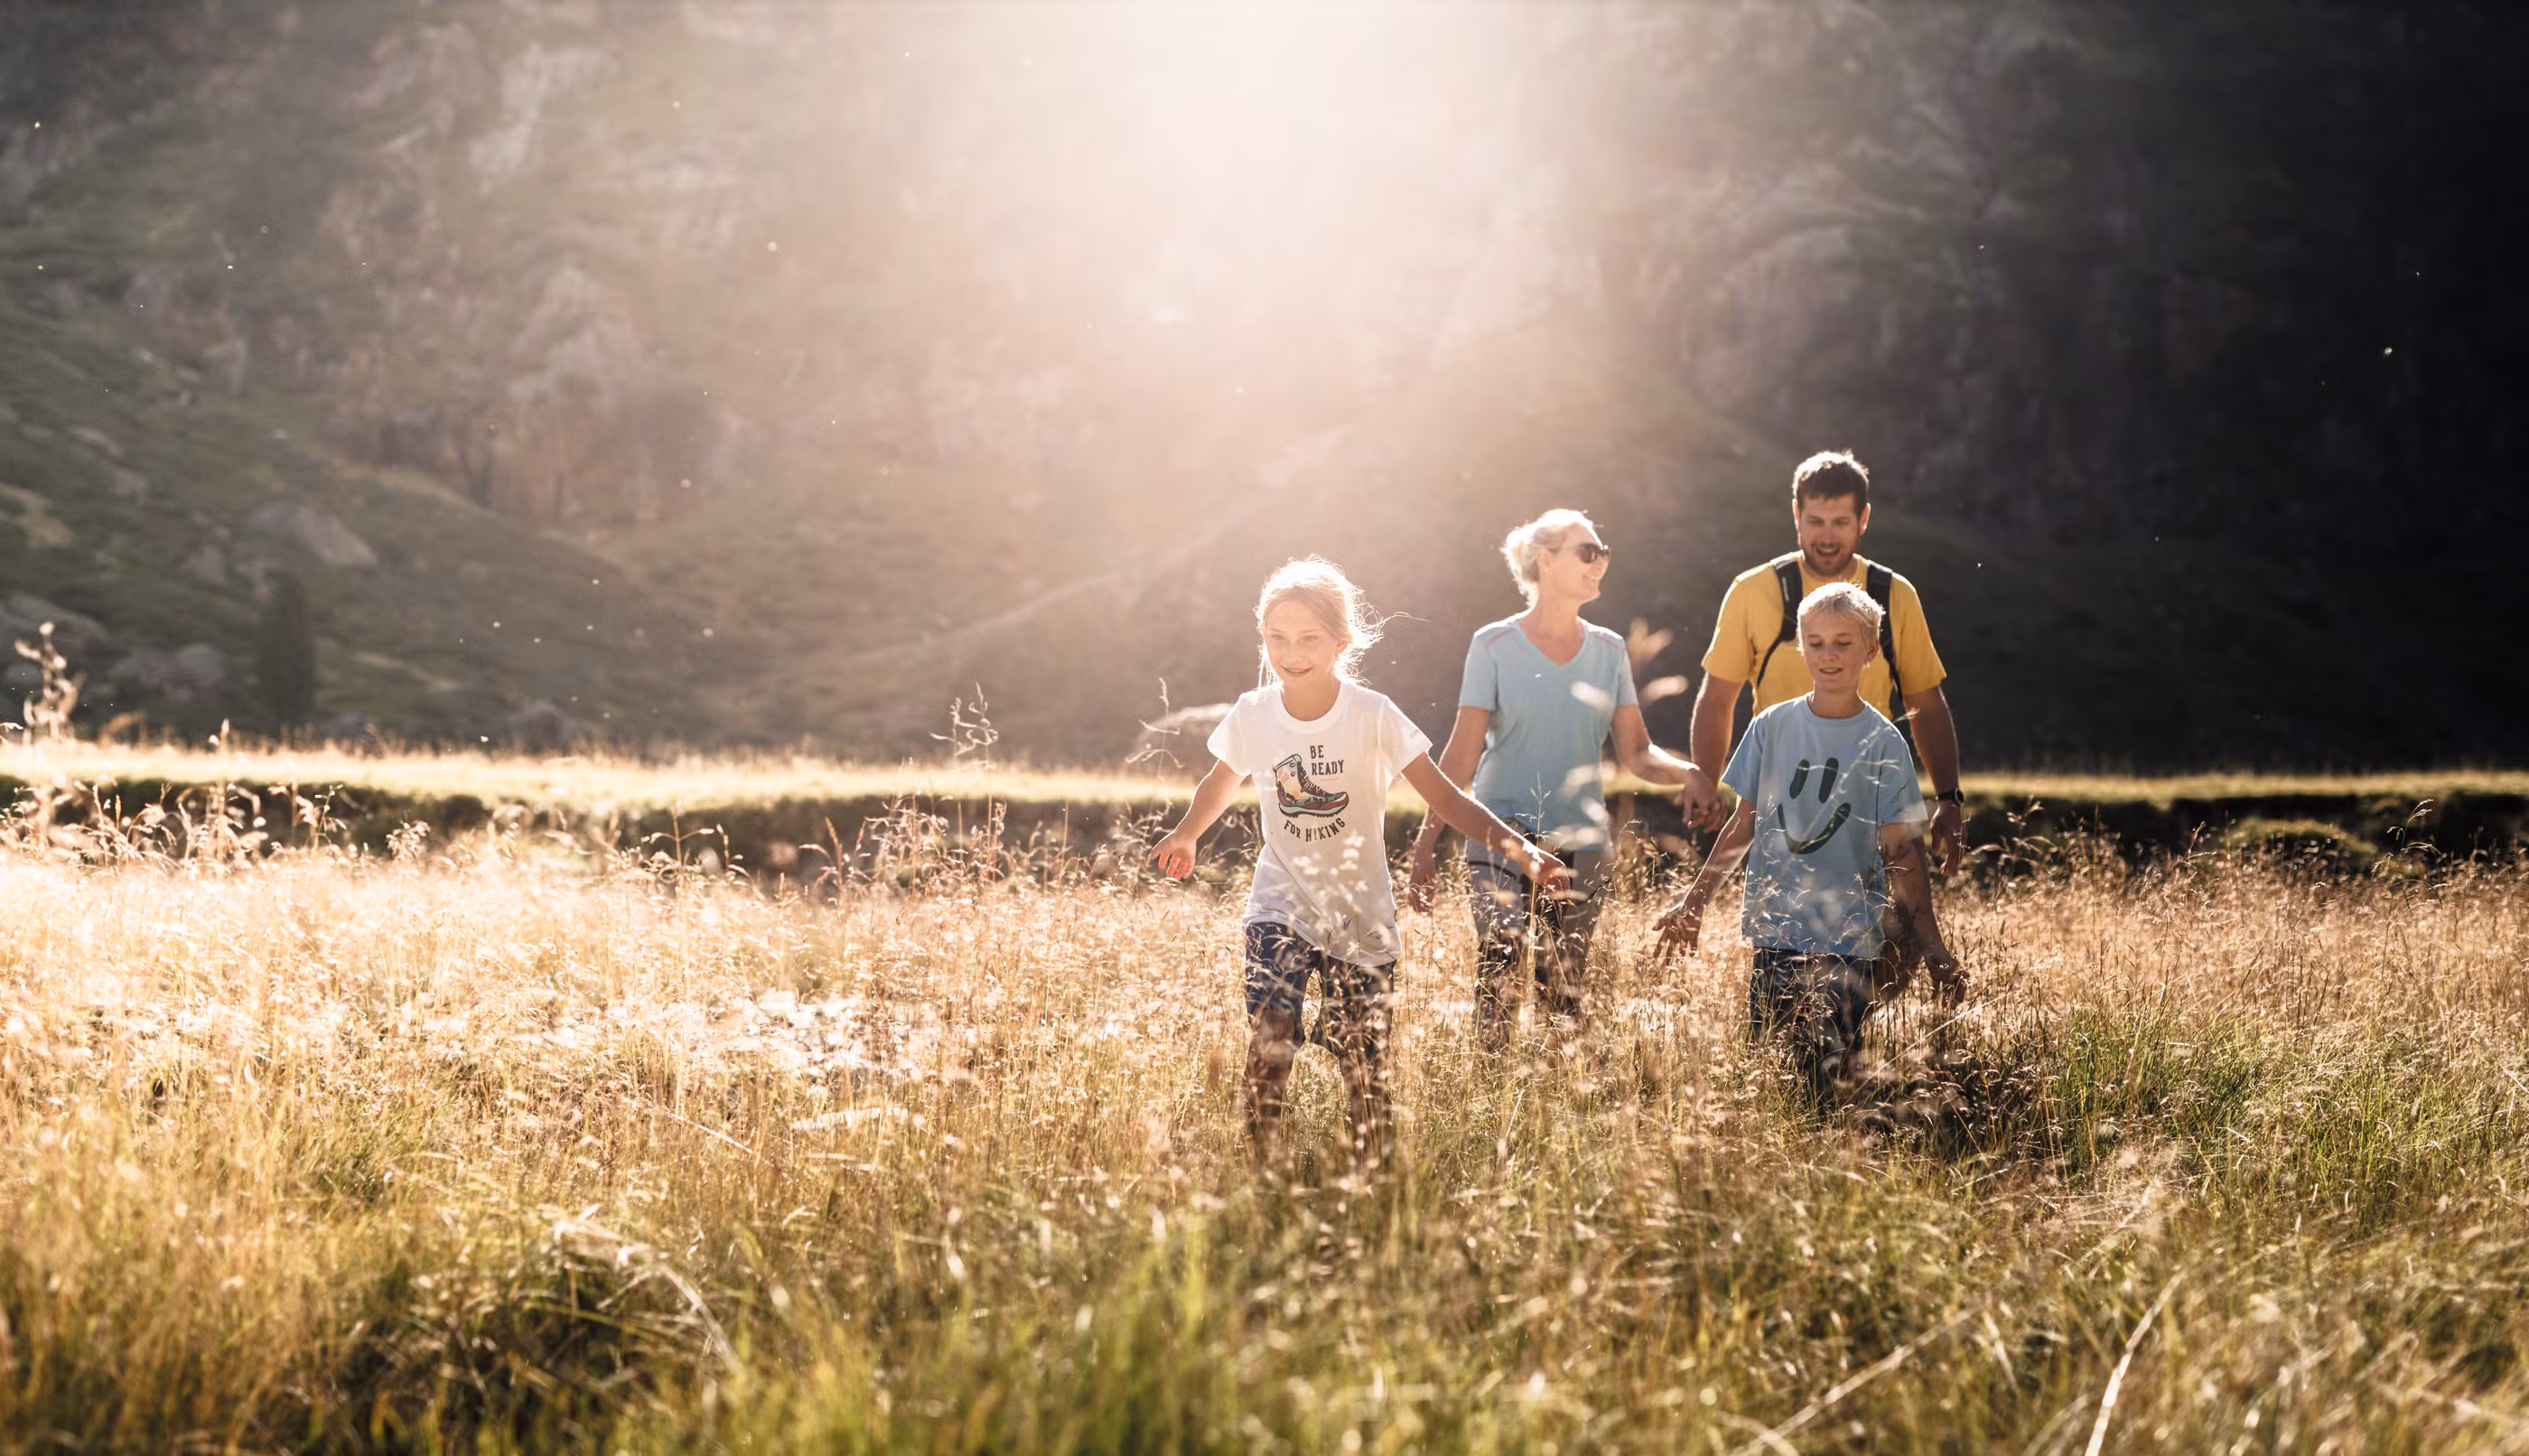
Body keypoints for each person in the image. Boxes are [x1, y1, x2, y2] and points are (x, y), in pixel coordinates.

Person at [1149, 557, 1572, 1158]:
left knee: (1365, 1069)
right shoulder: (1253, 713)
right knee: (1269, 1041)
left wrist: (1524, 852)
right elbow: (1221, 781)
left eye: (1308, 639)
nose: (1291, 653)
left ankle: (1372, 1183)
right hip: (1281, 902)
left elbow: (1447, 797)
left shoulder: (1372, 714)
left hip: (1362, 914)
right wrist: (1188, 833)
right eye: (1277, 639)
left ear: (1342, 642)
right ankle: (1260, 1171)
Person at [1405, 509, 1720, 1048]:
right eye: (1587, 552)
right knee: (1499, 973)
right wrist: (1427, 843)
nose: (1600, 563)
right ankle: (1488, 1109)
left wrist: (1688, 771)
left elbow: (1637, 754)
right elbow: (1458, 760)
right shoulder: (1492, 645)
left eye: (1604, 553)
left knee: (1564, 991)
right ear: (1545, 560)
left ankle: (1560, 1114)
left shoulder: (1609, 650)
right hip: (1498, 830)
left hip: (1583, 839)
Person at [1657, 583, 1964, 1095]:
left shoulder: (1884, 741)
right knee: (1768, 1075)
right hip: (1775, 936)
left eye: (1844, 643)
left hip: (1849, 943)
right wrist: (1695, 903)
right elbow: (1743, 824)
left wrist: (1935, 948)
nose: (1828, 655)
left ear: (1871, 649)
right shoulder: (1771, 727)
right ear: (1800, 646)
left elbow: (1900, 853)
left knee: (1832, 1082)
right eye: (1815, 642)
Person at [1675, 451, 1964, 984]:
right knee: (1783, 962)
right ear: (1795, 516)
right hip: (1783, 801)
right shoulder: (1752, 591)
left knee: (1884, 969)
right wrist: (1705, 776)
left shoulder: (1893, 596)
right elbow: (1718, 697)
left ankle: (1866, 1059)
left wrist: (1948, 797)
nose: (1826, 536)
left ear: (1863, 520)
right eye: (1815, 522)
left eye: (1840, 522)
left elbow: (1926, 701)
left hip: (1871, 800)